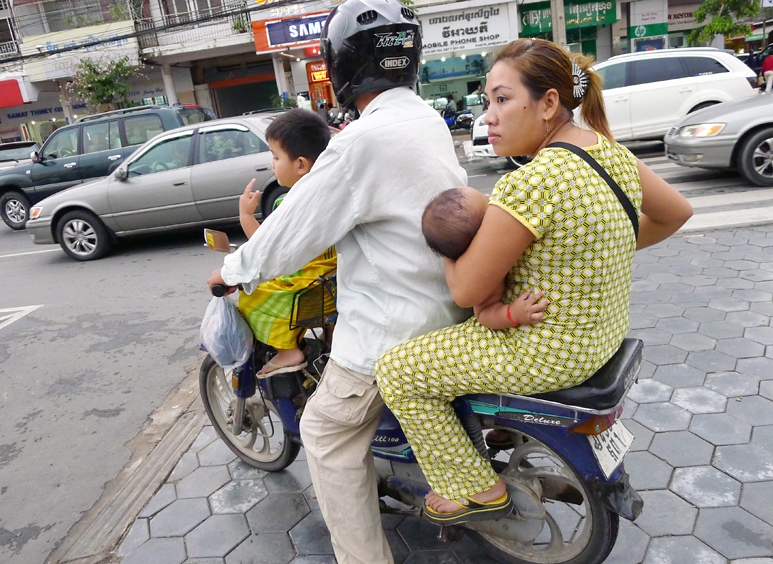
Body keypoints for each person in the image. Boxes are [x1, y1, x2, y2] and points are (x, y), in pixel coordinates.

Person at [375, 38, 693, 525]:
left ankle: (475, 487)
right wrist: (596, 254)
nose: (489, 117)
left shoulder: (533, 181)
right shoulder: (611, 155)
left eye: (502, 99)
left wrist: (445, 249)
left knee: (399, 370)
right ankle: (494, 431)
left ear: (548, 103)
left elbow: (465, 292)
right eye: (487, 103)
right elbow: (677, 212)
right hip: (599, 339)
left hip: (546, 350)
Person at [206, 0, 468, 561]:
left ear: (342, 64)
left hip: (391, 328)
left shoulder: (358, 142)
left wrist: (231, 271)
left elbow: (290, 230)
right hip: (448, 306)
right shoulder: (424, 118)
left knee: (325, 435)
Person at [236, 109, 336, 375]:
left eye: (276, 157)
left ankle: (287, 351)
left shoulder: (288, 204)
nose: (272, 163)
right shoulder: (332, 193)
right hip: (334, 283)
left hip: (308, 287)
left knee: (250, 297)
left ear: (301, 164)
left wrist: (246, 215)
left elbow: (265, 247)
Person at [422, 186, 549, 329]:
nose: (490, 196)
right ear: (479, 239)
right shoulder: (477, 273)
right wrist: (512, 314)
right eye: (487, 201)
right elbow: (484, 313)